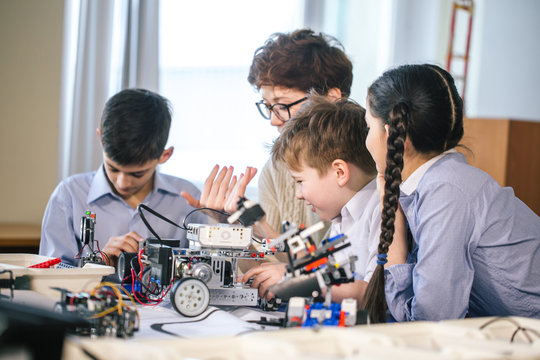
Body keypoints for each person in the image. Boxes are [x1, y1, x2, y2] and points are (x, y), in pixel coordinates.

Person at [361, 64, 540, 323]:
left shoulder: (445, 192)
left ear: (391, 135)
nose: (367, 139)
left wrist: (396, 248)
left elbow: (431, 322)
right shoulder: (437, 182)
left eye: (369, 127)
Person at [181, 29, 353, 242]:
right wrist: (230, 224)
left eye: (282, 104)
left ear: (331, 98)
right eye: (268, 106)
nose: (274, 120)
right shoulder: (275, 169)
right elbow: (267, 263)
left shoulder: (365, 167)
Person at [242, 95, 407, 303]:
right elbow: (321, 271)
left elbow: (376, 291)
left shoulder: (381, 209)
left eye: (300, 181)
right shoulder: (342, 218)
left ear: (339, 172)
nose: (298, 194)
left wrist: (298, 279)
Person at [40, 88, 208, 266]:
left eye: (137, 174)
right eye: (113, 168)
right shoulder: (69, 196)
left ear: (165, 155)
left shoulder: (189, 201)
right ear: (101, 140)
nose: (123, 183)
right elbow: (51, 274)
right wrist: (97, 265)